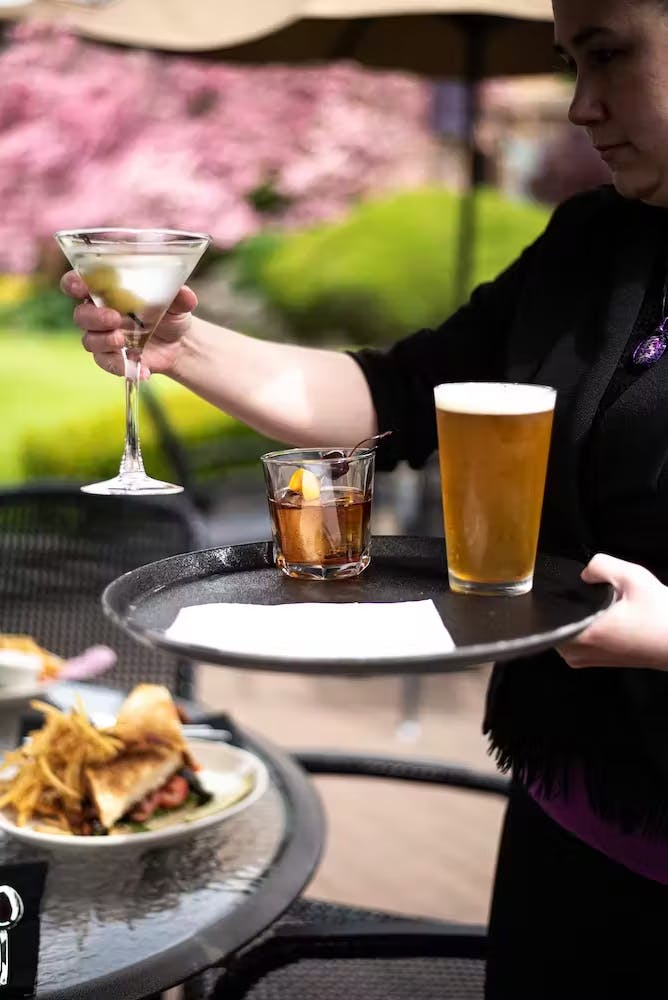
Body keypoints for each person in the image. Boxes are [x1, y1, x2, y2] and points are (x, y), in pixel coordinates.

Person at [63, 0, 668, 994]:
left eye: (604, 56)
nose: (574, 105)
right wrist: (181, 347)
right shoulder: (591, 240)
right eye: (566, 60)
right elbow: (390, 400)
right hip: (567, 825)